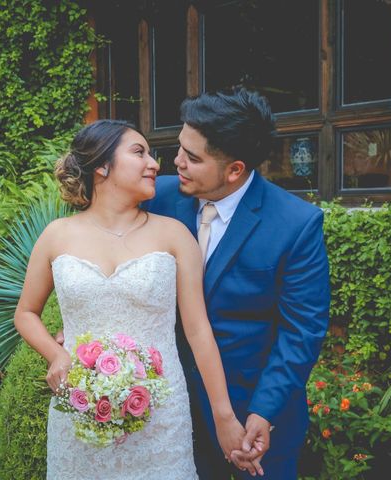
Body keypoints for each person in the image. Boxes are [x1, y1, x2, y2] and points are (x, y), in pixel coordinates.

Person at [13, 120, 251, 480]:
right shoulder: (57, 235)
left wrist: (225, 417)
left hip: (161, 415)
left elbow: (198, 331)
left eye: (152, 156)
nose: (155, 164)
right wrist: (57, 354)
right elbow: (26, 313)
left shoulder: (174, 235)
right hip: (80, 408)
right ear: (102, 166)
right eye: (139, 152)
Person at [143, 87, 331, 479]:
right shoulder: (155, 197)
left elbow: (302, 331)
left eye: (192, 158)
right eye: (179, 148)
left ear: (234, 170)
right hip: (171, 411)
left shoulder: (296, 224)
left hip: (256, 415)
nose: (175, 161)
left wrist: (264, 411)